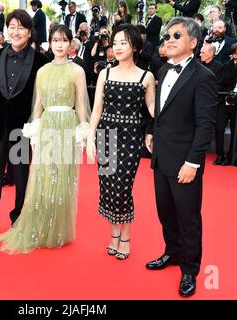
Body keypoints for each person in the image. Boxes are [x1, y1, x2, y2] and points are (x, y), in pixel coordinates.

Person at [0, 24, 90, 254]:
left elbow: (80, 104)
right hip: (47, 125)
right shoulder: (43, 71)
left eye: (64, 41)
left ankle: (58, 230)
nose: (59, 45)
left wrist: (83, 131)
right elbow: (37, 104)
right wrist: (34, 129)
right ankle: (40, 226)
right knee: (44, 177)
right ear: (50, 42)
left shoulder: (77, 70)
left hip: (67, 125)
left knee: (63, 179)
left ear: (70, 44)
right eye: (55, 40)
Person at [144, 17, 217, 297]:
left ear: (194, 42)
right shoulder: (163, 70)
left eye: (177, 35)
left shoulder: (203, 77)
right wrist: (151, 131)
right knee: (166, 213)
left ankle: (189, 269)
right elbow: (160, 111)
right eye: (168, 36)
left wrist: (193, 163)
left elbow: (206, 125)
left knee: (188, 219)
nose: (169, 39)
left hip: (185, 161)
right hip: (161, 157)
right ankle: (172, 253)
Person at [0, 9, 49, 236]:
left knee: (21, 177)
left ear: (29, 31)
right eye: (11, 27)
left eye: (21, 27)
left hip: (22, 130)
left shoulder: (41, 62)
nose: (16, 32)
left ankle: (19, 220)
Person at [87, 23, 155, 261]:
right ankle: (114, 234)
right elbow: (96, 110)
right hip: (106, 135)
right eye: (115, 43)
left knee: (123, 188)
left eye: (123, 43)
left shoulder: (146, 77)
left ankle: (125, 237)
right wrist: (90, 136)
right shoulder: (105, 73)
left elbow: (153, 110)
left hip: (130, 137)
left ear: (135, 46)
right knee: (107, 187)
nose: (117, 47)